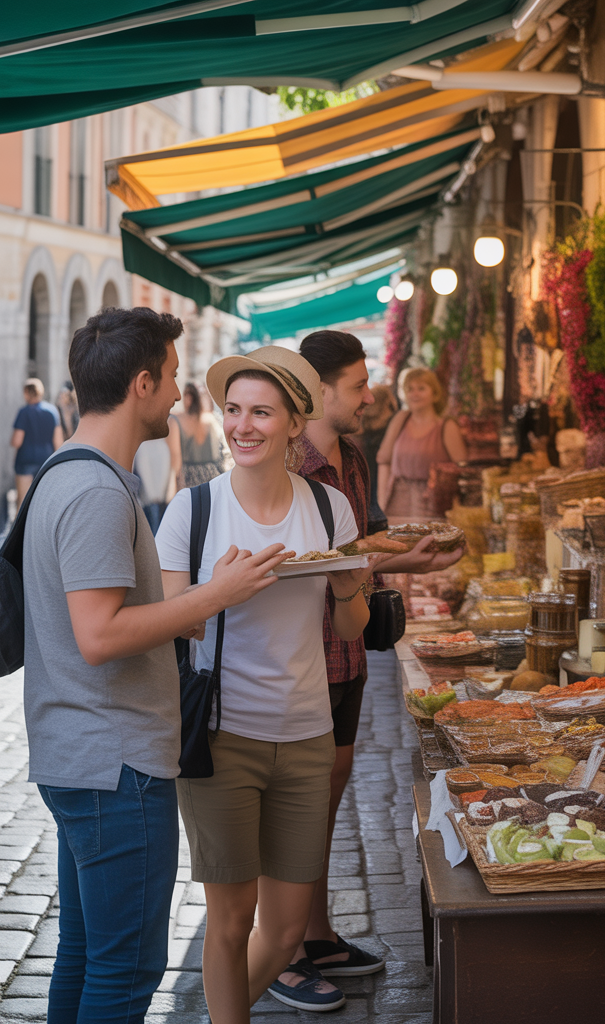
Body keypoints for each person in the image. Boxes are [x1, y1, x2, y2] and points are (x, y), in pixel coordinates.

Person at [22, 306, 292, 1024]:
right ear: (141, 382)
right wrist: (214, 595)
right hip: (115, 766)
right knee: (126, 971)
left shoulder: (67, 472)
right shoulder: (94, 491)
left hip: (83, 758)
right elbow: (100, 635)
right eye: (171, 377)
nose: (178, 394)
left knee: (84, 959)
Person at [156, 345, 379, 1022]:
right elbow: (173, 629)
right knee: (230, 921)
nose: (242, 426)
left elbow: (350, 626)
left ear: (292, 425)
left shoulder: (329, 507)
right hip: (223, 739)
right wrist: (216, 593)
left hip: (309, 736)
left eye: (261, 412)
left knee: (284, 932)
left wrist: (347, 587)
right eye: (233, 410)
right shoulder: (190, 514)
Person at [267, 331, 464, 1011]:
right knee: (294, 806)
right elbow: (303, 561)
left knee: (327, 795)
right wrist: (391, 557)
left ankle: (316, 933)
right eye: (356, 385)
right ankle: (281, 948)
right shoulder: (287, 461)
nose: (368, 394)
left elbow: (362, 549)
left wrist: (421, 558)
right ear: (319, 390)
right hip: (300, 658)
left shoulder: (352, 454)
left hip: (346, 653)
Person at [376, 368, 467, 521]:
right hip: (398, 502)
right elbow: (384, 460)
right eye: (410, 389)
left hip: (434, 504)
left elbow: (462, 469)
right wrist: (382, 502)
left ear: (435, 393)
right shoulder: (401, 419)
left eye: (421, 388)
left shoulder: (446, 426)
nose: (414, 394)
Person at [11, 378, 63, 509]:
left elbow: (17, 441)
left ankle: (21, 530)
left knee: (22, 504)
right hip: (46, 462)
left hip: (25, 461)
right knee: (43, 504)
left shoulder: (24, 412)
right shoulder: (52, 411)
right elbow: (58, 441)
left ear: (27, 392)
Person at [354, 383, 397, 531]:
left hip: (366, 477)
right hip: (382, 476)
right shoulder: (393, 423)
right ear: (387, 401)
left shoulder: (361, 426)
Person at [175, 381, 230, 487]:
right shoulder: (214, 418)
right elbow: (225, 452)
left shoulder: (178, 420)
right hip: (214, 477)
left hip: (190, 480)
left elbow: (175, 463)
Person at [134, 418, 180, 531]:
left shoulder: (170, 423)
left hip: (163, 490)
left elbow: (175, 457)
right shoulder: (135, 422)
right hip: (142, 491)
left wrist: (171, 486)